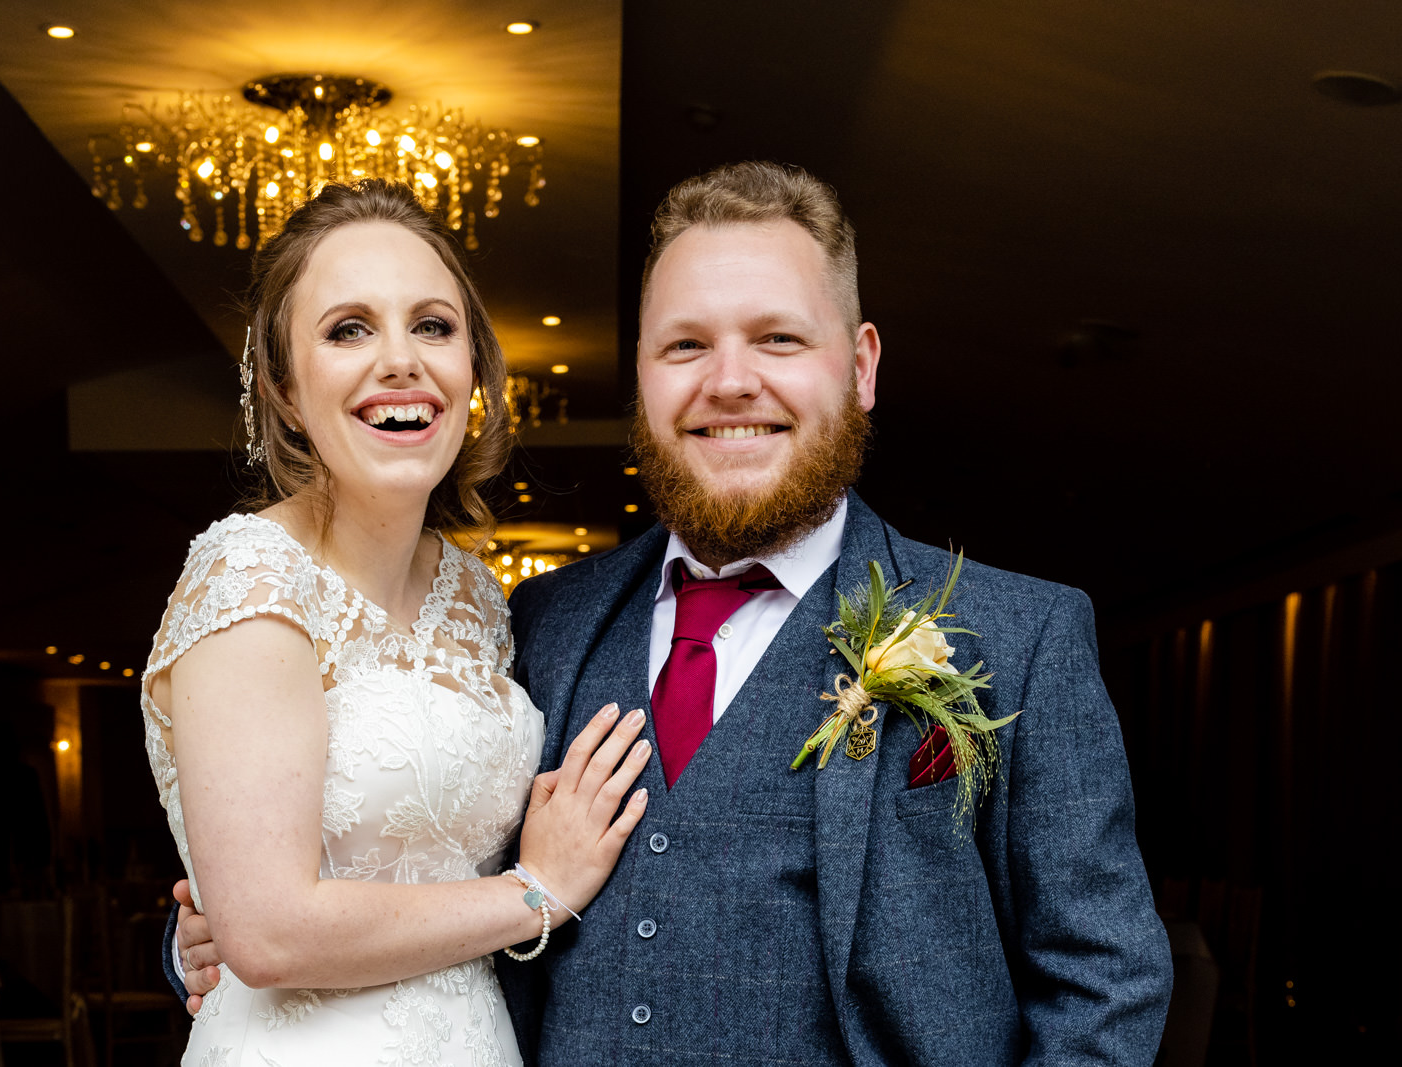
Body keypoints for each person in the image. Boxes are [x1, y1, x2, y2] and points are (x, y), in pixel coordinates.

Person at [174, 162, 1174, 1063]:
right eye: (684, 345)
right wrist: (212, 936)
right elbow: (394, 838)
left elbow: (1103, 986)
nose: (728, 381)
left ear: (861, 365)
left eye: (777, 338)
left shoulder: (1017, 637)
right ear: (640, 378)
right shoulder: (542, 621)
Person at [140, 178, 651, 1066]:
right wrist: (536, 892)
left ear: (472, 370)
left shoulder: (480, 599)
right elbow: (266, 932)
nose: (400, 360)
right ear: (285, 390)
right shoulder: (248, 574)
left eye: (432, 326)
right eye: (348, 329)